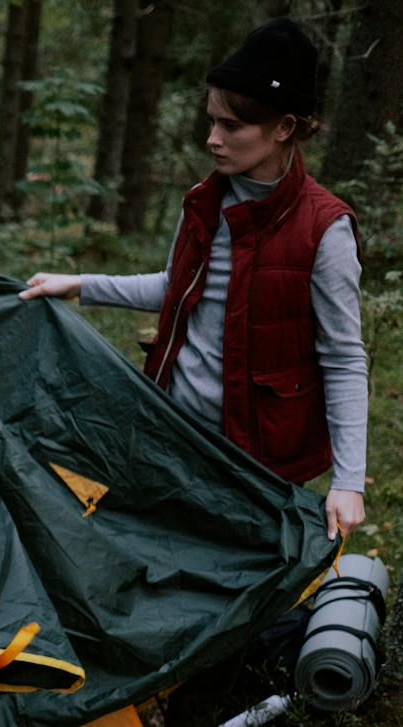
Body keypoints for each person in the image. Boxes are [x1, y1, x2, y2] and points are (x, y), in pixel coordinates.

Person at [20, 17, 367, 543]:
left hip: (258, 460)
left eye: (231, 126)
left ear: (284, 127)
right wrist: (80, 284)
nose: (213, 139)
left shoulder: (325, 229)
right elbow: (176, 288)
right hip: (175, 435)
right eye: (211, 121)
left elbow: (342, 358)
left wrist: (348, 482)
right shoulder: (204, 201)